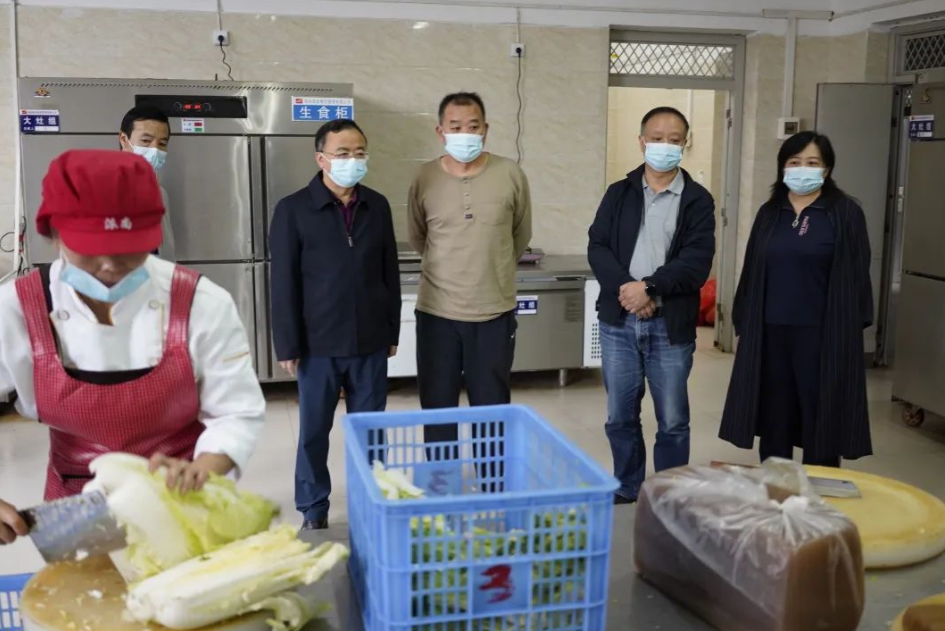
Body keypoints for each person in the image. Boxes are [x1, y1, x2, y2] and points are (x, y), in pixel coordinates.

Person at [0, 149, 265, 507]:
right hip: (74, 502)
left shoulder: (200, 302)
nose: (110, 264)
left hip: (181, 495)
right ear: (53, 233)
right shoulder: (16, 308)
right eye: (91, 248)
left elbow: (236, 410)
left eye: (129, 248)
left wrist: (203, 469)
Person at [270, 119, 401, 531]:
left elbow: (389, 272)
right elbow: (283, 282)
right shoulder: (293, 209)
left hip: (370, 340)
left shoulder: (377, 205)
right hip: (317, 344)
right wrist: (288, 343)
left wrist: (392, 331)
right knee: (314, 431)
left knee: (370, 430)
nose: (352, 160)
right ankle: (313, 508)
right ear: (321, 158)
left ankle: (370, 501)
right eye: (342, 153)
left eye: (359, 152)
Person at [720, 132, 873, 467]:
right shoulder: (769, 213)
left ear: (827, 169)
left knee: (822, 417)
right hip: (770, 332)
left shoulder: (845, 213)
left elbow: (858, 278)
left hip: (822, 335)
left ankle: (820, 489)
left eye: (812, 162)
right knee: (775, 416)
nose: (803, 169)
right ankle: (778, 488)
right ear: (783, 167)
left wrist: (848, 332)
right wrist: (743, 323)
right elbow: (751, 271)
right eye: (794, 162)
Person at [588, 106, 716, 504]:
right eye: (657, 138)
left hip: (669, 323)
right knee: (620, 415)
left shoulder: (697, 200)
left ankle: (668, 493)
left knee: (673, 419)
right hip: (619, 322)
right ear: (642, 141)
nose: (665, 145)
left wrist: (650, 288)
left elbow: (696, 261)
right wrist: (629, 291)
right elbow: (598, 246)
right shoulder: (619, 193)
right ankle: (627, 485)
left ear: (684, 144)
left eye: (674, 139)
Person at [407, 92, 532, 450]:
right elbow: (418, 236)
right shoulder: (424, 177)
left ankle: (491, 478)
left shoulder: (510, 174)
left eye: (473, 126)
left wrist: (491, 267)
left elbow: (520, 234)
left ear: (485, 130)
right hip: (437, 313)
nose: (465, 134)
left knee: (491, 408)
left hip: (493, 312)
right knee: (437, 405)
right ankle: (441, 477)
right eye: (455, 127)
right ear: (441, 132)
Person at [118, 105, 175, 260]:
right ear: (124, 140)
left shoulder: (160, 194)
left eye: (162, 143)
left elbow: (166, 250)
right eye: (145, 141)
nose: (155, 150)